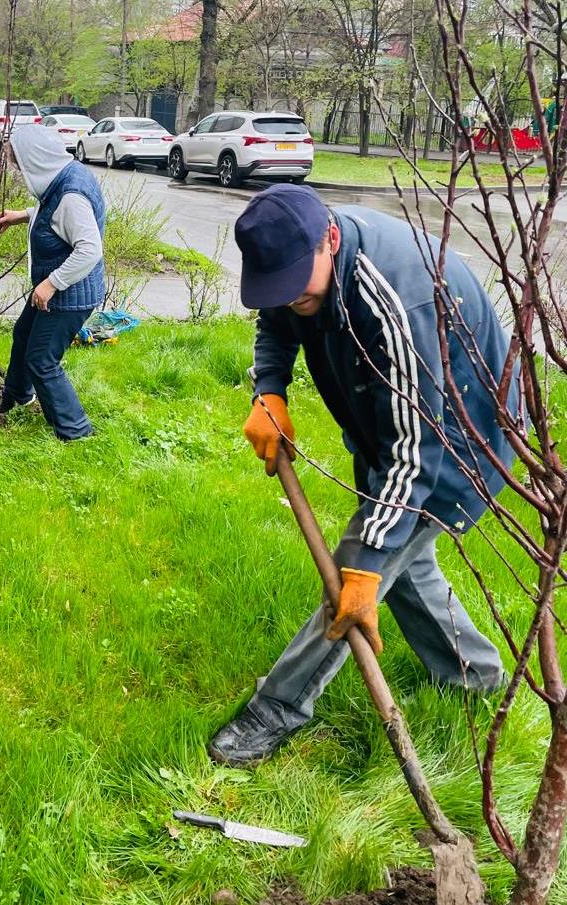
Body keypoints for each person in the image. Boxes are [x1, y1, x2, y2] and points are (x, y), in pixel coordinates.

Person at [209, 184, 517, 767]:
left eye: (301, 290)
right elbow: (277, 319)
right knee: (404, 564)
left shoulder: (398, 302)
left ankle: (278, 706)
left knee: (359, 567)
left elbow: (417, 455)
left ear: (329, 239)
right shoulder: (302, 252)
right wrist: (269, 390)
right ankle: (474, 675)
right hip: (389, 422)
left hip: (458, 442)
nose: (292, 299)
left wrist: (365, 565)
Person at [0, 125, 105, 441]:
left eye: (18, 162)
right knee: (23, 333)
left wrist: (51, 284)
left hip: (68, 295)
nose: (17, 168)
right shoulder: (65, 176)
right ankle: (17, 396)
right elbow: (54, 213)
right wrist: (23, 215)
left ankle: (76, 430)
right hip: (60, 289)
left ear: (35, 159)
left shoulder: (71, 195)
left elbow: (89, 249)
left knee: (42, 360)